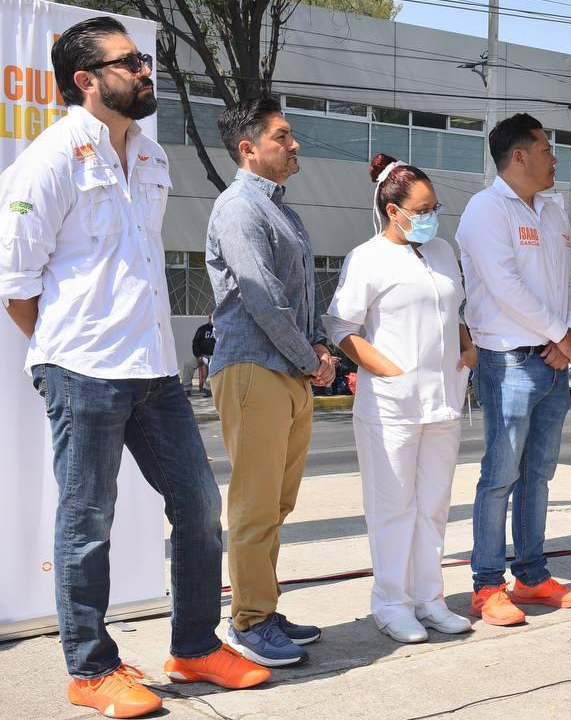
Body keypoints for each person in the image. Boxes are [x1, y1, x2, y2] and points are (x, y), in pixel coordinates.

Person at [0, 17, 269, 717]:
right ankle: (91, 669)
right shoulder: (50, 159)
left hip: (153, 371)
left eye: (143, 60)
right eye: (129, 62)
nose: (145, 71)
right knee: (88, 520)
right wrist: (63, 349)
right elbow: (17, 284)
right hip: (82, 369)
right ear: (86, 79)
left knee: (200, 509)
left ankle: (194, 647)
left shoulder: (151, 157)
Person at [323, 153, 476, 643]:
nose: (432, 215)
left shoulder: (442, 251)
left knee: (433, 504)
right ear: (394, 211)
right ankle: (391, 602)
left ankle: (430, 598)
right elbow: (340, 325)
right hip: (391, 404)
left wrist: (466, 344)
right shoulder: (367, 257)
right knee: (393, 507)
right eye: (423, 208)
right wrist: (383, 367)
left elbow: (451, 307)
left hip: (443, 399)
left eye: (435, 206)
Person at [206, 97, 336, 666]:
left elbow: (299, 300)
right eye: (283, 136)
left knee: (277, 503)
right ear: (249, 148)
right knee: (254, 505)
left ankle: (263, 604)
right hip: (253, 367)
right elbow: (260, 295)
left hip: (287, 369)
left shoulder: (283, 210)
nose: (295, 145)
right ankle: (248, 622)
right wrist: (310, 358)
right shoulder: (238, 208)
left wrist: (319, 350)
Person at [456, 113, 571, 626]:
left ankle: (532, 576)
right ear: (519, 156)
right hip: (510, 360)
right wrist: (561, 333)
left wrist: (570, 334)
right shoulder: (485, 210)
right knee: (500, 476)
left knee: (538, 474)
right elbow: (503, 286)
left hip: (555, 361)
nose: (554, 158)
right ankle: (487, 585)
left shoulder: (553, 211)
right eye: (546, 148)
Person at [190, 315, 215, 396]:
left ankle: (207, 389)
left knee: (212, 366)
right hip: (202, 356)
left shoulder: (220, 329)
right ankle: (186, 388)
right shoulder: (202, 329)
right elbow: (195, 343)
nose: (211, 318)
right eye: (209, 317)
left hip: (214, 357)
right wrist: (198, 356)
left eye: (212, 316)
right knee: (188, 364)